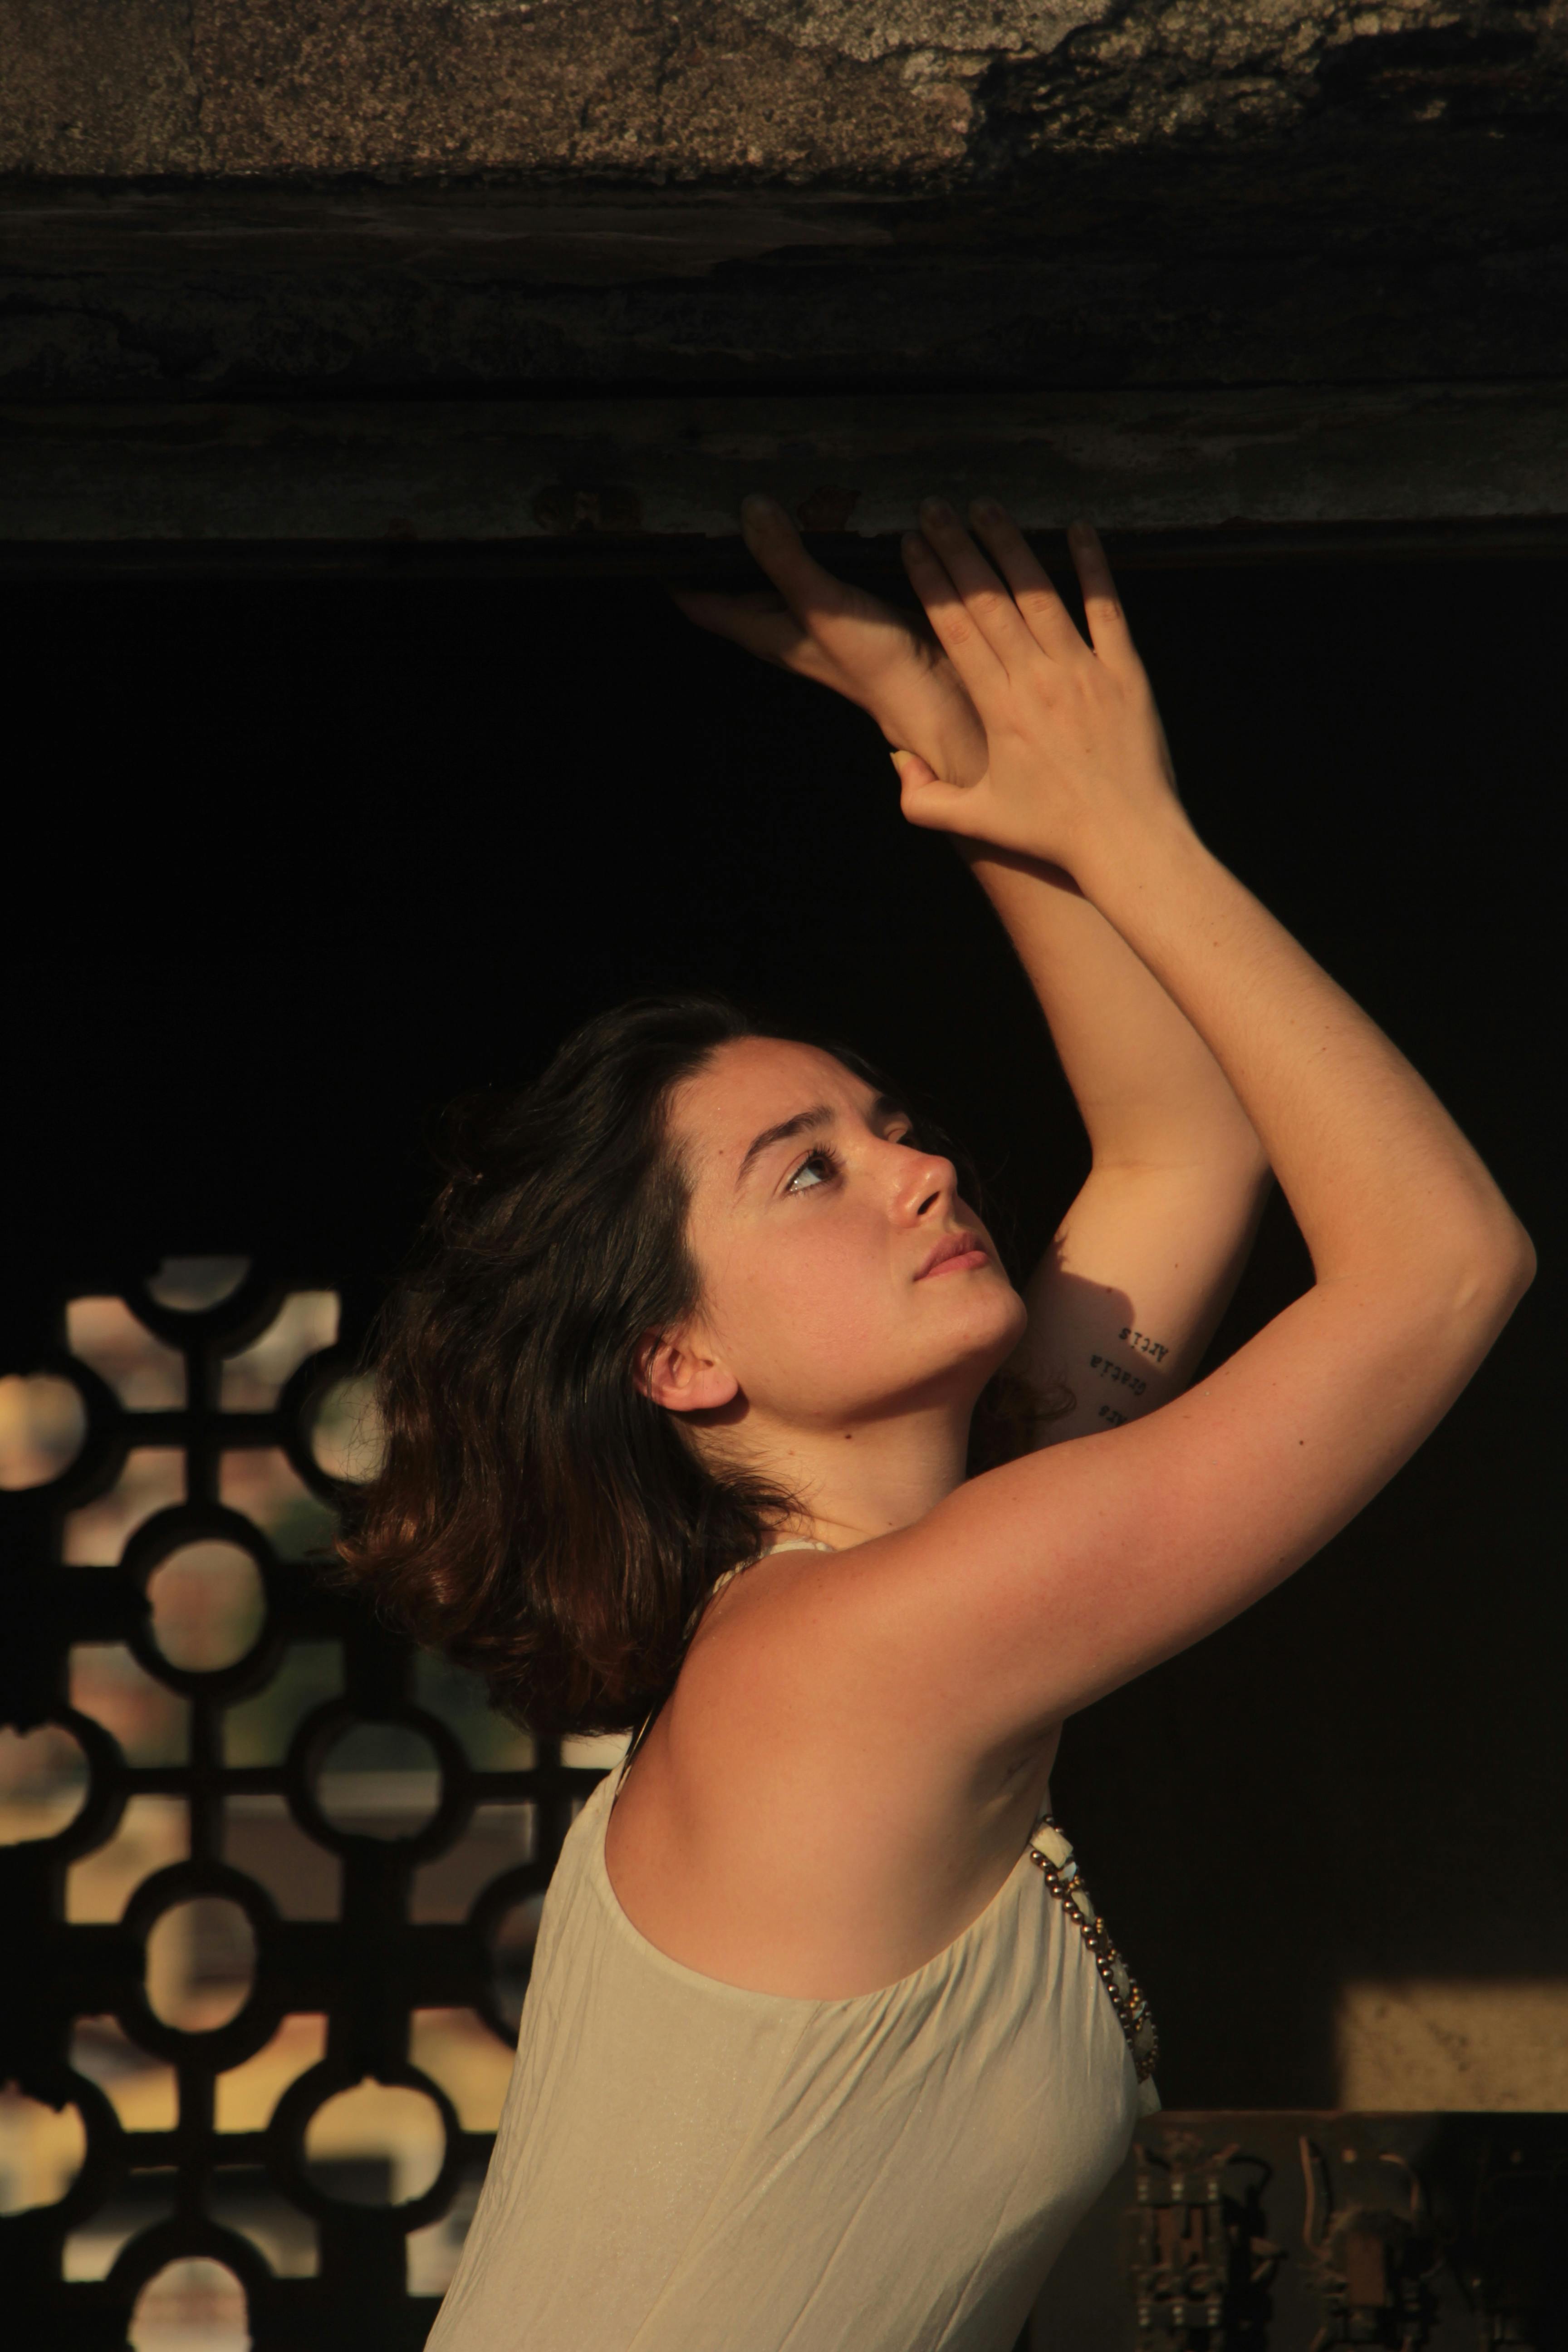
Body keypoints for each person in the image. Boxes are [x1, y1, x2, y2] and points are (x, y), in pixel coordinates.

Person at [338, 500, 1533, 2352]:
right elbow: (1440, 1266)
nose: (914, 1167)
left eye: (890, 1122)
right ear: (676, 1361)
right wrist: (1129, 827)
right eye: (806, 1170)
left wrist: (981, 785)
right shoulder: (849, 1659)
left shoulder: (881, 1604)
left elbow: (1180, 1149)